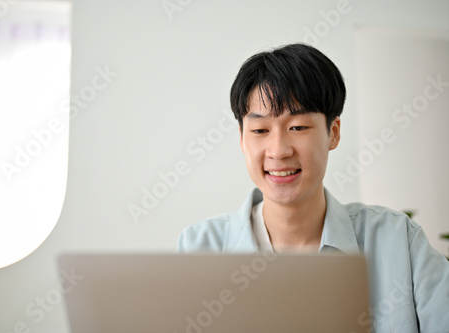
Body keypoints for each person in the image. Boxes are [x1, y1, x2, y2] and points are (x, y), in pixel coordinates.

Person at [177, 43, 449, 332]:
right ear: (242, 139)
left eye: (298, 127)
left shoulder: (397, 241)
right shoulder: (200, 247)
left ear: (333, 133)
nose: (279, 150)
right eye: (260, 130)